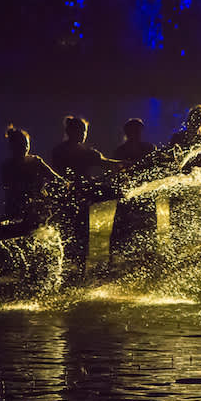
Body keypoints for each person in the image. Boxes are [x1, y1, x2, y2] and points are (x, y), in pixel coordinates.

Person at [0, 126, 65, 290]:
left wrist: (60, 189)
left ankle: (34, 281)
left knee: (36, 246)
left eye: (26, 144)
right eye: (20, 145)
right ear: (12, 147)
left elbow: (56, 179)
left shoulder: (36, 161)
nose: (24, 148)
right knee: (5, 247)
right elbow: (9, 187)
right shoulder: (7, 166)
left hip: (37, 211)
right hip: (14, 211)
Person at [50, 116, 119, 284]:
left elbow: (107, 164)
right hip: (69, 199)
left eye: (84, 132)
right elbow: (107, 164)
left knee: (80, 237)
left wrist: (126, 164)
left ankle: (76, 274)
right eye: (80, 131)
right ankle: (72, 274)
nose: (82, 135)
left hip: (78, 199)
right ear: (69, 132)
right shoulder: (63, 152)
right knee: (72, 236)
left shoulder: (84, 152)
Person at [109, 118, 158, 263]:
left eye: (138, 131)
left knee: (148, 227)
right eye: (134, 131)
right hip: (128, 193)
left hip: (144, 192)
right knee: (123, 229)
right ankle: (117, 260)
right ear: (127, 132)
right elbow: (116, 173)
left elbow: (154, 169)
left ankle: (148, 258)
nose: (136, 133)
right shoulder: (121, 151)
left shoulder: (149, 148)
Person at [168, 104, 201, 247]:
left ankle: (199, 250)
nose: (195, 121)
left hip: (196, 186)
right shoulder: (177, 138)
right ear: (189, 120)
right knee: (178, 224)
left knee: (200, 221)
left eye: (198, 119)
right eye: (194, 118)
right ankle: (177, 250)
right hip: (179, 184)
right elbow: (170, 160)